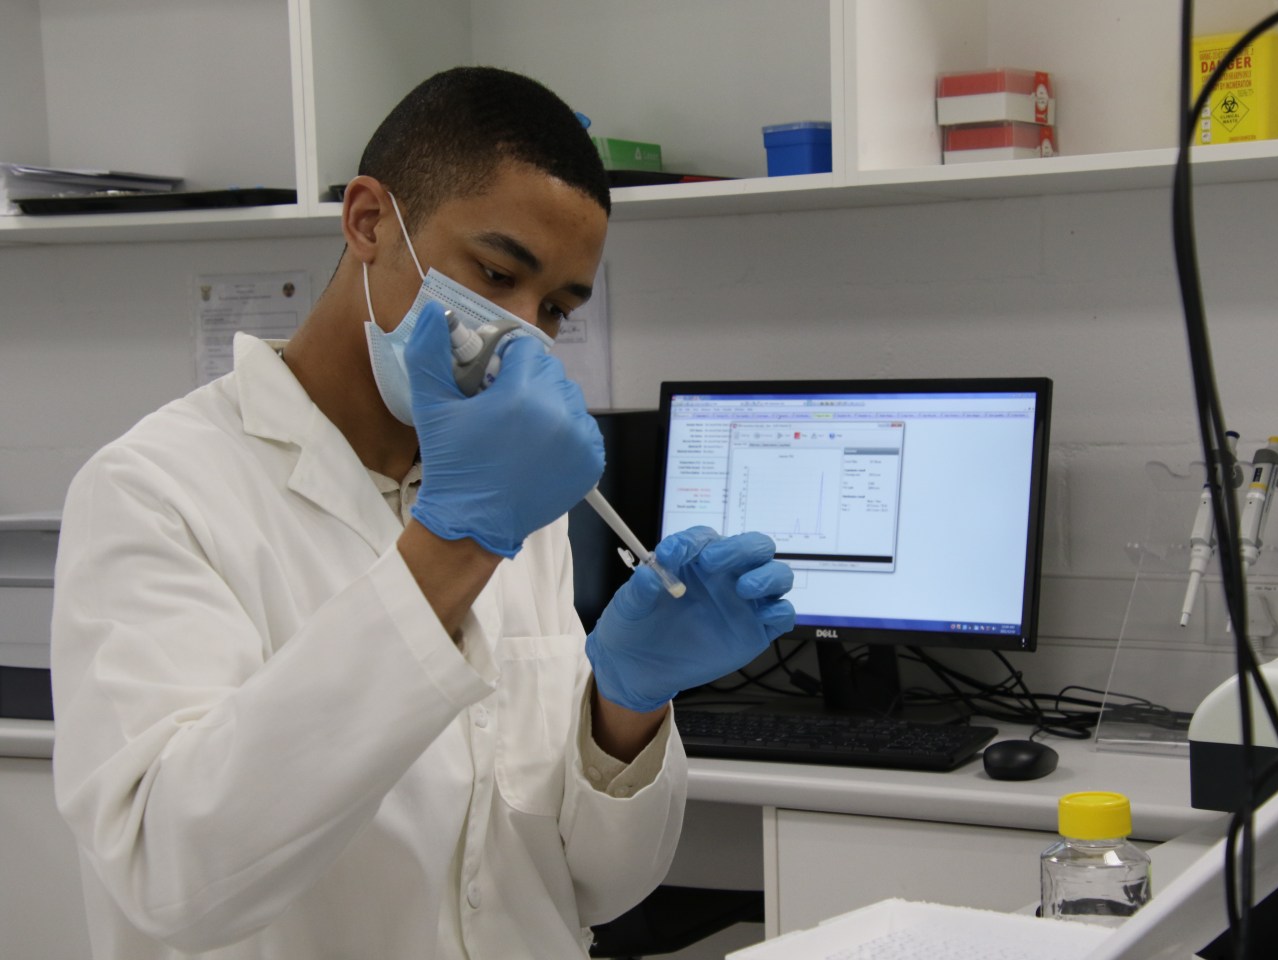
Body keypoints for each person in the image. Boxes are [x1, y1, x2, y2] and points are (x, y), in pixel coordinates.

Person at [49, 67, 794, 960]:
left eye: (555, 307)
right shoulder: (157, 491)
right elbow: (168, 881)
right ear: (368, 220)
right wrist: (452, 546)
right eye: (496, 273)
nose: (524, 331)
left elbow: (599, 884)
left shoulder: (524, 507)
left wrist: (623, 713)